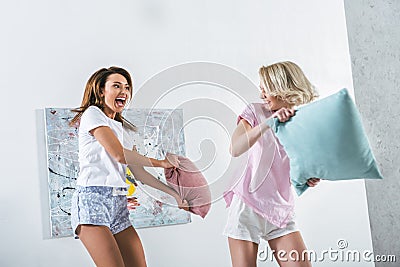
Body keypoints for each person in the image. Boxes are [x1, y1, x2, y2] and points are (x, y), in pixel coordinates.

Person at [69, 66, 187, 267]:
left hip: (118, 204)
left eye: (126, 87)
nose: (124, 91)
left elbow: (139, 172)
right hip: (91, 202)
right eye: (116, 86)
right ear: (101, 91)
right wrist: (162, 162)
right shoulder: (92, 114)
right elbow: (118, 154)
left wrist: (173, 194)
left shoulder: (120, 127)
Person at [224, 61, 321, 267]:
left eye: (265, 89)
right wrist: (269, 122)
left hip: (280, 209)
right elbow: (235, 148)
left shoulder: (302, 123)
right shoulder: (255, 111)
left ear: (281, 88)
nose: (262, 95)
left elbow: (291, 166)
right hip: (247, 207)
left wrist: (307, 178)